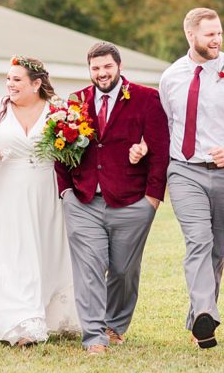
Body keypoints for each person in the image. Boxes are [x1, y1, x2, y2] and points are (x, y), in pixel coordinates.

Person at [158, 8, 224, 349]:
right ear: (190, 36)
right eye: (209, 34)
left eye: (219, 32)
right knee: (198, 242)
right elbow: (167, 126)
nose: (216, 39)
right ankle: (206, 310)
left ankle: (199, 323)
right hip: (184, 171)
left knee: (217, 250)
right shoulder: (171, 76)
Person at [55, 42, 170, 355]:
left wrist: (152, 200)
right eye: (95, 68)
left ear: (119, 66)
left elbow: (160, 152)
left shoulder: (147, 99)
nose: (101, 73)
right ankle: (93, 336)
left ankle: (115, 325)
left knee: (123, 270)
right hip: (83, 198)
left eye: (107, 67)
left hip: (132, 200)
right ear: (89, 69)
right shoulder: (76, 100)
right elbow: (60, 146)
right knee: (88, 268)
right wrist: (65, 191)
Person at [0, 56, 80, 346]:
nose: (10, 85)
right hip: (9, 190)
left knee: (49, 248)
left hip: (47, 189)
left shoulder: (57, 111)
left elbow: (75, 147)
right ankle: (18, 320)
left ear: (36, 84)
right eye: (8, 79)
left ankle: (52, 314)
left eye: (17, 80)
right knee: (13, 251)